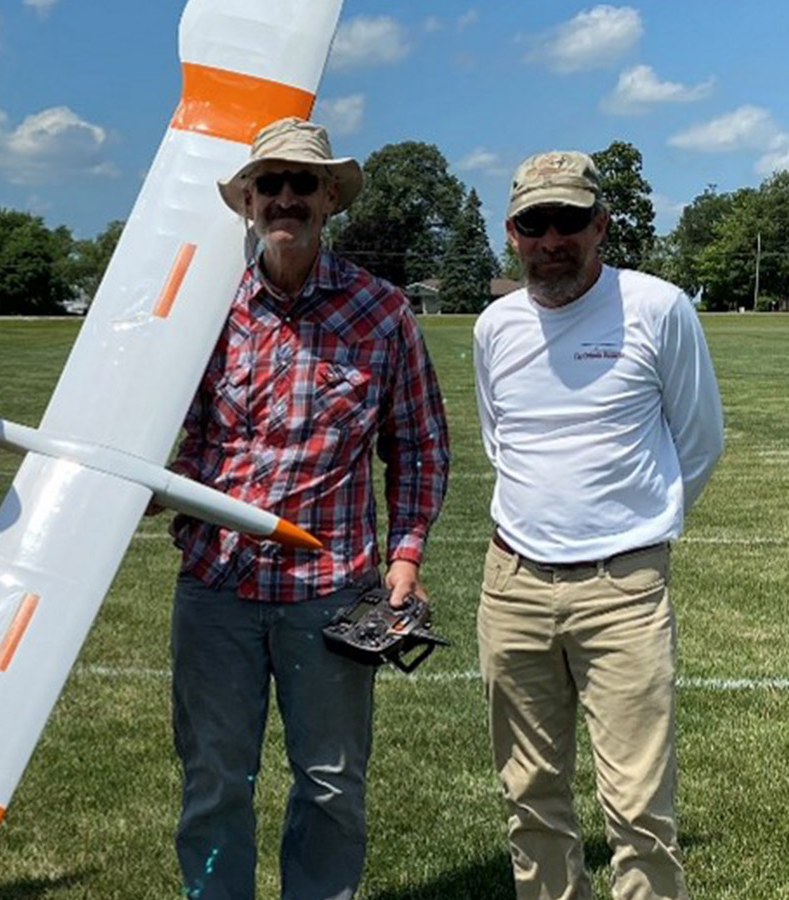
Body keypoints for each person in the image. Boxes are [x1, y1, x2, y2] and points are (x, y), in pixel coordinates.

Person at [165, 117, 451, 900]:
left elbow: (421, 446)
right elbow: (177, 432)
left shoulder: (382, 312)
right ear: (249, 202)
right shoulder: (202, 312)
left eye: (302, 184)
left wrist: (406, 556)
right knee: (214, 782)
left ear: (330, 198)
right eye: (270, 184)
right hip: (216, 589)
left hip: (330, 594)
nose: (285, 198)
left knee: (330, 786)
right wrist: (182, 497)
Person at [472, 150, 724, 900]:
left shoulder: (657, 307)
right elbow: (500, 441)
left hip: (624, 589)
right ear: (511, 232)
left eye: (570, 220)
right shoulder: (494, 328)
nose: (553, 239)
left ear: (601, 225)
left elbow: (699, 440)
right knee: (531, 802)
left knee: (641, 813)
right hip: (510, 586)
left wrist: (636, 535)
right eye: (534, 223)